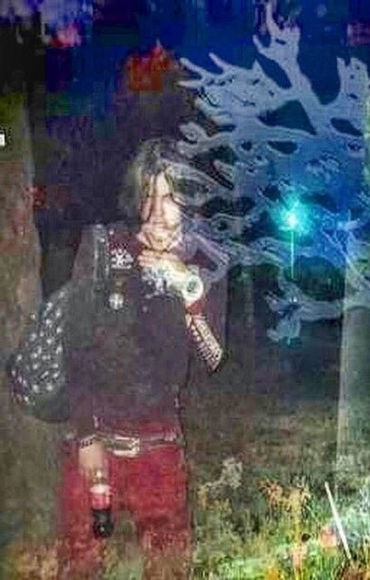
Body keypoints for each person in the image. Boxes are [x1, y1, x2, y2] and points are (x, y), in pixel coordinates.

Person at [6, 138, 227, 578]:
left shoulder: (204, 261)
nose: (158, 212)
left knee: (168, 566)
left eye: (171, 198)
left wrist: (189, 290)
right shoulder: (106, 246)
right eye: (149, 196)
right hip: (98, 441)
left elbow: (213, 357)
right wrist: (87, 439)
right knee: (80, 564)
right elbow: (77, 347)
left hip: (161, 448)